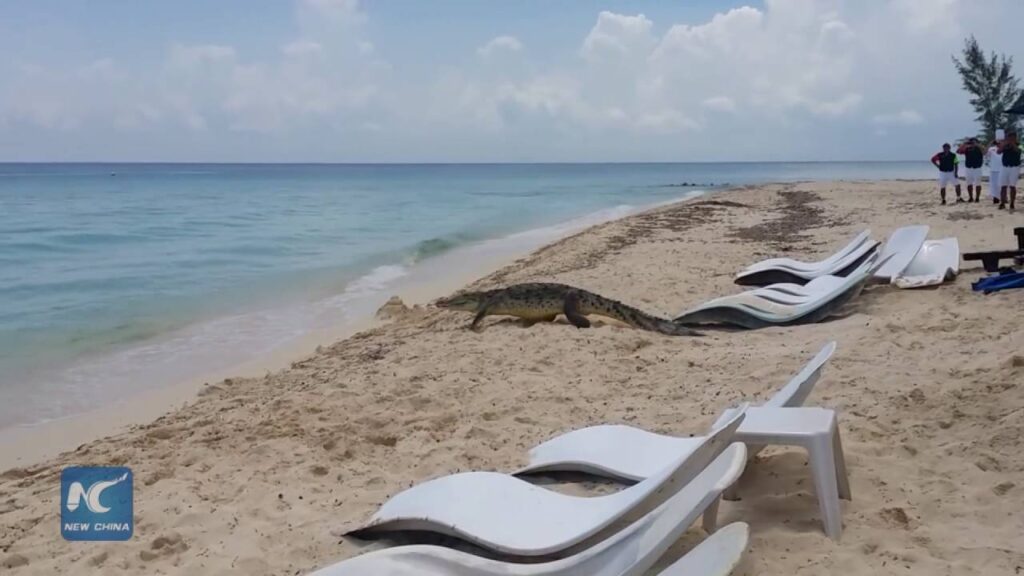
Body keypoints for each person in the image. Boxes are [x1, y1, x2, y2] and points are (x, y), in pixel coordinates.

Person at [957, 137, 985, 202]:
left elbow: (984, 151)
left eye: (973, 142)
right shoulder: (967, 148)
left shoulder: (979, 148)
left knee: (978, 184)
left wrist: (977, 144)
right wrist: (964, 144)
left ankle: (977, 198)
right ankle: (971, 197)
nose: (972, 143)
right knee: (969, 184)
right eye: (971, 142)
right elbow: (958, 151)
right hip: (968, 168)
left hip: (977, 168)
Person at [999, 131, 1021, 211]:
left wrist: (1012, 144)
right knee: (1003, 186)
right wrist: (1003, 145)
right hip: (1004, 167)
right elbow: (998, 152)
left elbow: (1018, 151)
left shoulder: (1020, 144)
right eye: (1008, 137)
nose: (1009, 139)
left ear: (1015, 138)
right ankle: (1002, 203)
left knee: (1012, 186)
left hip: (1014, 168)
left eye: (1011, 138)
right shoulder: (1005, 145)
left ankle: (1012, 203)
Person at [986, 137, 1003, 204]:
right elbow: (985, 153)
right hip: (993, 170)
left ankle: (1003, 198)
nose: (998, 143)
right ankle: (996, 198)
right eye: (997, 142)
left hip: (1003, 169)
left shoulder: (1005, 148)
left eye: (1000, 142)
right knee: (994, 185)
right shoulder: (991, 149)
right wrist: (990, 142)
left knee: (1002, 185)